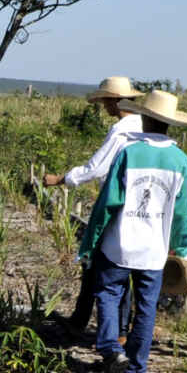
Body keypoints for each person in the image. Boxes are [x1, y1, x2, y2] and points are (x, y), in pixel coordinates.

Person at [75, 90, 187, 373]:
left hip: (119, 244)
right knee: (145, 308)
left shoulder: (128, 153)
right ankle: (134, 369)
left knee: (108, 293)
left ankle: (109, 349)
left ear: (145, 119)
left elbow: (108, 203)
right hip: (154, 249)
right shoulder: (180, 160)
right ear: (169, 123)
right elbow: (182, 213)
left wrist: (90, 242)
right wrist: (180, 247)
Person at [42, 76, 143, 341]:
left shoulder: (122, 130)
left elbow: (95, 168)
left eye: (105, 101)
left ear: (114, 100)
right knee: (115, 266)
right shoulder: (144, 126)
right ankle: (89, 321)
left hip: (117, 205)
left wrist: (60, 179)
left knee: (106, 265)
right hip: (141, 207)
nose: (103, 107)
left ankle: (112, 332)